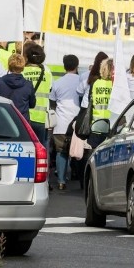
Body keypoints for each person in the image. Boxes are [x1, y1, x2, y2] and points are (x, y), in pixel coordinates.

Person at [49, 54, 83, 190]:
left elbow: (52, 103)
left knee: (61, 152)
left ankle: (61, 181)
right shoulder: (82, 82)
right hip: (78, 124)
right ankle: (79, 178)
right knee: (78, 152)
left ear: (64, 66)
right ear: (77, 66)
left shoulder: (57, 83)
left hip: (61, 124)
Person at [22, 43, 54, 152]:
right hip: (41, 117)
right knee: (41, 148)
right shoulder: (47, 73)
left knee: (26, 148)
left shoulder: (22, 71)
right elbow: (50, 89)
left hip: (25, 116)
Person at [0, 53, 36, 121]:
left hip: (3, 120)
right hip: (21, 122)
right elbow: (32, 104)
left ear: (9, 66)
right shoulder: (28, 85)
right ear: (22, 67)